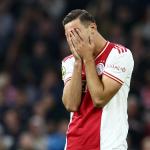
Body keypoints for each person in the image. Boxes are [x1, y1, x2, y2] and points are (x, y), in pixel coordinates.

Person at [61, 9, 134, 150]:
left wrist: (87, 58)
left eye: (75, 32)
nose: (72, 39)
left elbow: (99, 99)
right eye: (68, 35)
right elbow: (71, 105)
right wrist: (78, 62)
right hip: (73, 145)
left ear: (92, 28)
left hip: (109, 145)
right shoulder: (69, 62)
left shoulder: (119, 55)